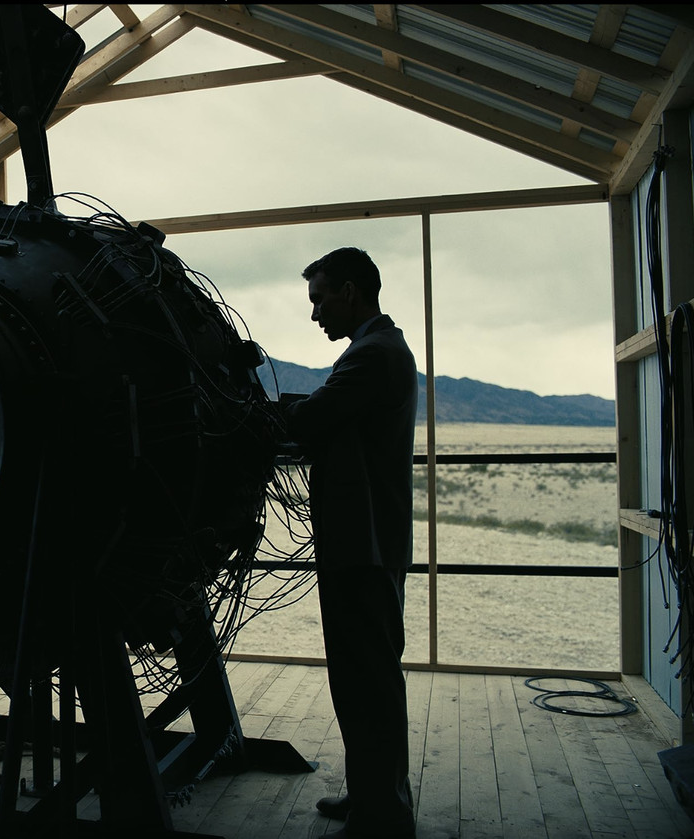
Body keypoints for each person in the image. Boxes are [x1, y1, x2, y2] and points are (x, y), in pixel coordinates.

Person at [283, 247, 417, 839]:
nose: (315, 314)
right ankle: (372, 796)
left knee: (367, 682)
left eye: (320, 300)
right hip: (367, 541)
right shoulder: (381, 350)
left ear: (350, 292)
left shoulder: (371, 355)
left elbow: (314, 419)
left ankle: (382, 816)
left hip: (362, 545)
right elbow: (328, 414)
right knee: (365, 679)